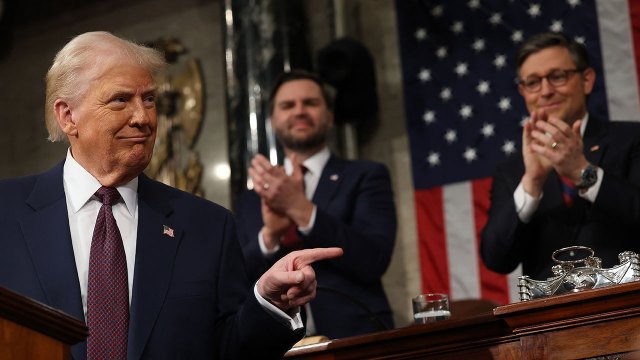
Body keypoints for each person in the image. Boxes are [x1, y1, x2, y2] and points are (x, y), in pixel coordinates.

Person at [0, 31, 342, 359]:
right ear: (67, 116)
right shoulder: (6, 212)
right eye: (121, 100)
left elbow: (229, 349)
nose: (143, 118)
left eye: (149, 99)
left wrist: (269, 303)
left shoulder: (207, 226)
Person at [235, 69, 396, 339]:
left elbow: (374, 259)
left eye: (310, 103)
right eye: (288, 105)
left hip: (357, 338)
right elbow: (237, 281)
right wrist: (270, 235)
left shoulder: (366, 175)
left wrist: (302, 210)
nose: (299, 111)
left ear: (329, 116)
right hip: (275, 344)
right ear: (273, 121)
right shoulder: (251, 199)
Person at [481, 32, 640, 281]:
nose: (545, 91)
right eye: (533, 82)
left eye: (557, 77)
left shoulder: (631, 139)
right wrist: (532, 183)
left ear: (586, 80)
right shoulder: (512, 170)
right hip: (551, 316)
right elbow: (496, 259)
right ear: (522, 91)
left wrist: (582, 173)